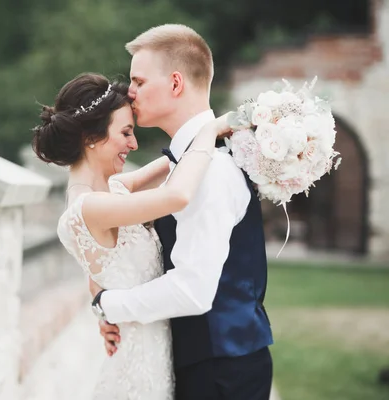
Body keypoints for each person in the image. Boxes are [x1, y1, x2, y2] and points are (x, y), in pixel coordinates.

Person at [92, 24, 274, 400]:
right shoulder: (193, 162)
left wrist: (108, 305)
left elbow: (193, 291)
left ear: (176, 84)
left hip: (221, 372)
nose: (130, 92)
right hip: (214, 362)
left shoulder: (210, 170)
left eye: (139, 81)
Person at [32, 72, 232, 399]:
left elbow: (172, 163)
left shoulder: (112, 190)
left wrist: (102, 304)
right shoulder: (90, 207)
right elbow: (177, 195)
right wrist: (209, 131)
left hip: (154, 350)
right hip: (140, 372)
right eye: (125, 133)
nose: (134, 144)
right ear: (90, 138)